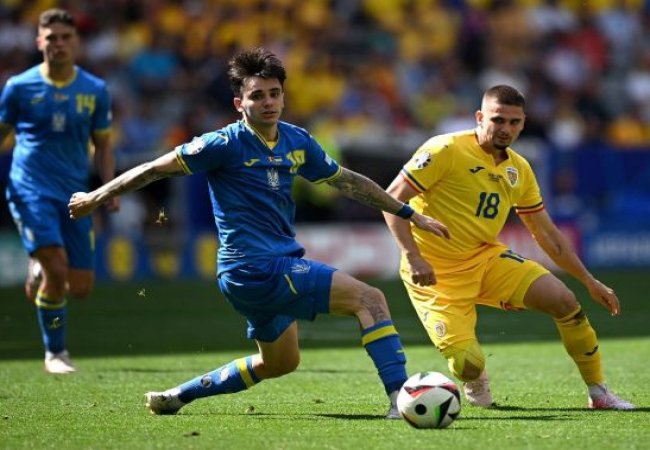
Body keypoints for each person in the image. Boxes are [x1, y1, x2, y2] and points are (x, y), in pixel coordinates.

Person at [68, 47, 450, 418]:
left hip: (258, 271)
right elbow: (154, 168)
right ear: (240, 103)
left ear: (283, 96)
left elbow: (346, 181)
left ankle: (177, 396)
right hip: (255, 266)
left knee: (280, 363)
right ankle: (400, 400)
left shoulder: (297, 141)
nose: (268, 102)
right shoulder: (222, 144)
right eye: (257, 96)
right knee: (370, 299)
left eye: (274, 93)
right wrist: (95, 196)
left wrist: (407, 212)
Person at [383, 84, 635, 410]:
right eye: (498, 120)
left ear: (523, 123)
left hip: (485, 258)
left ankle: (599, 393)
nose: (506, 129)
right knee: (467, 363)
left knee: (564, 301)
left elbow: (546, 233)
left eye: (514, 122)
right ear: (480, 117)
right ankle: (475, 377)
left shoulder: (519, 168)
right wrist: (412, 255)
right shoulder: (445, 149)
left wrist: (589, 280)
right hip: (435, 274)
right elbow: (391, 200)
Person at [0, 9, 118, 374]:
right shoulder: (19, 87)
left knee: (79, 287)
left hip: (75, 195)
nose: (59, 44)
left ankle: (39, 268)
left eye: (66, 37)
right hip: (29, 187)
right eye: (51, 38)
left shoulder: (95, 90)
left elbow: (103, 145)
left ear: (77, 42)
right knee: (57, 267)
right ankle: (55, 353)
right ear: (39, 42)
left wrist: (108, 188)